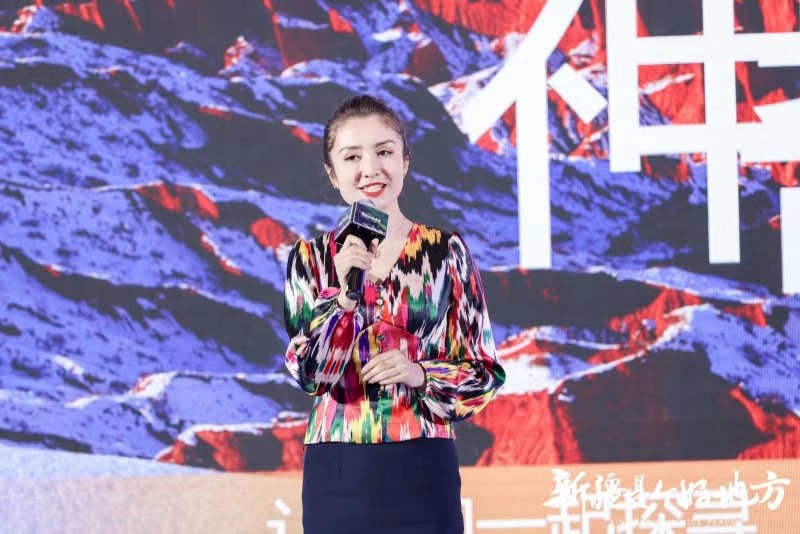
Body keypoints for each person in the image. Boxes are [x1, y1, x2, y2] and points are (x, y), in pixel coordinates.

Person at [283, 94, 506, 534]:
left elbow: (484, 374)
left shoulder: (445, 253)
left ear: (405, 161)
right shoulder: (309, 259)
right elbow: (311, 374)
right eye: (352, 157)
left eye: (384, 152)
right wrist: (345, 298)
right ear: (332, 174)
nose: (370, 169)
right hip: (338, 467)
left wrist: (421, 374)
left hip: (423, 462)